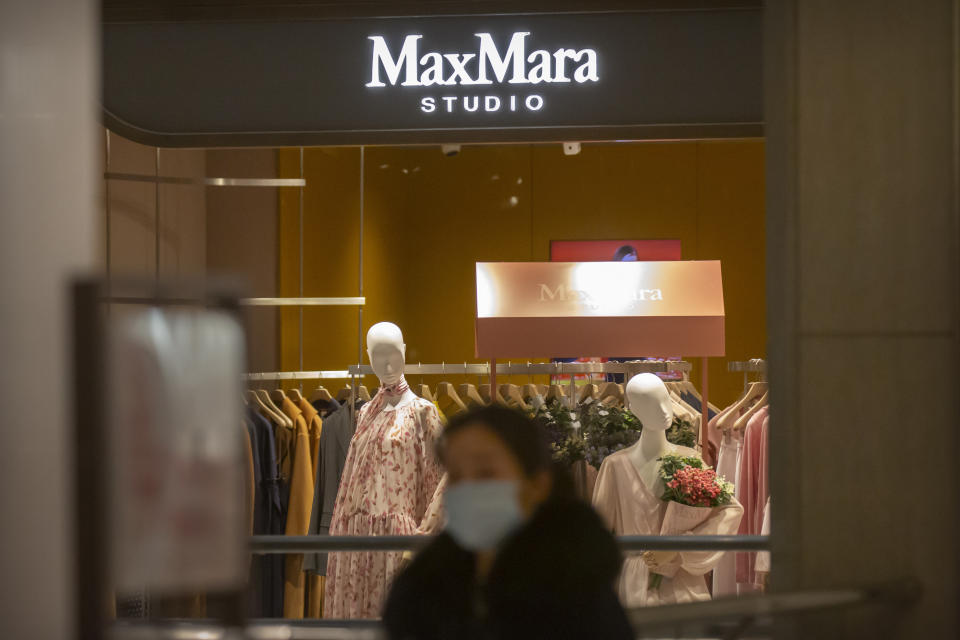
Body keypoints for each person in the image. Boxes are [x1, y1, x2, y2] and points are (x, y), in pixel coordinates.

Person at [382, 405, 633, 640]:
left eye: (486, 473)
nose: (467, 489)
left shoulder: (578, 593)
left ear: (537, 484)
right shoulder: (424, 590)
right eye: (456, 475)